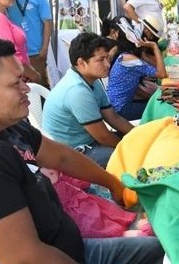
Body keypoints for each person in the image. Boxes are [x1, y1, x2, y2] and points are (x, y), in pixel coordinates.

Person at [0, 36, 164, 264]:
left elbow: (63, 157)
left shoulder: (11, 128)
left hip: (69, 253)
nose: (25, 88)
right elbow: (25, 260)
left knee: (152, 254)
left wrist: (113, 183)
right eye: (14, 82)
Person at [42, 32, 135, 167]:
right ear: (81, 63)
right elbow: (103, 137)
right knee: (133, 157)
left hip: (89, 142)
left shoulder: (91, 80)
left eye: (107, 58)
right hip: (71, 154)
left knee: (137, 142)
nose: (107, 64)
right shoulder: (77, 91)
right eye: (100, 60)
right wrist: (130, 149)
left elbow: (113, 118)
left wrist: (138, 135)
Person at [106, 15, 168, 121]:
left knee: (158, 100)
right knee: (162, 107)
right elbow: (162, 74)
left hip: (118, 104)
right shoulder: (130, 59)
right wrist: (154, 47)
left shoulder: (125, 56)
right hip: (121, 109)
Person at [3, 0, 52, 87]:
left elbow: (47, 23)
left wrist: (44, 48)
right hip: (17, 53)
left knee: (38, 84)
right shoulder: (9, 0)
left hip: (35, 52)